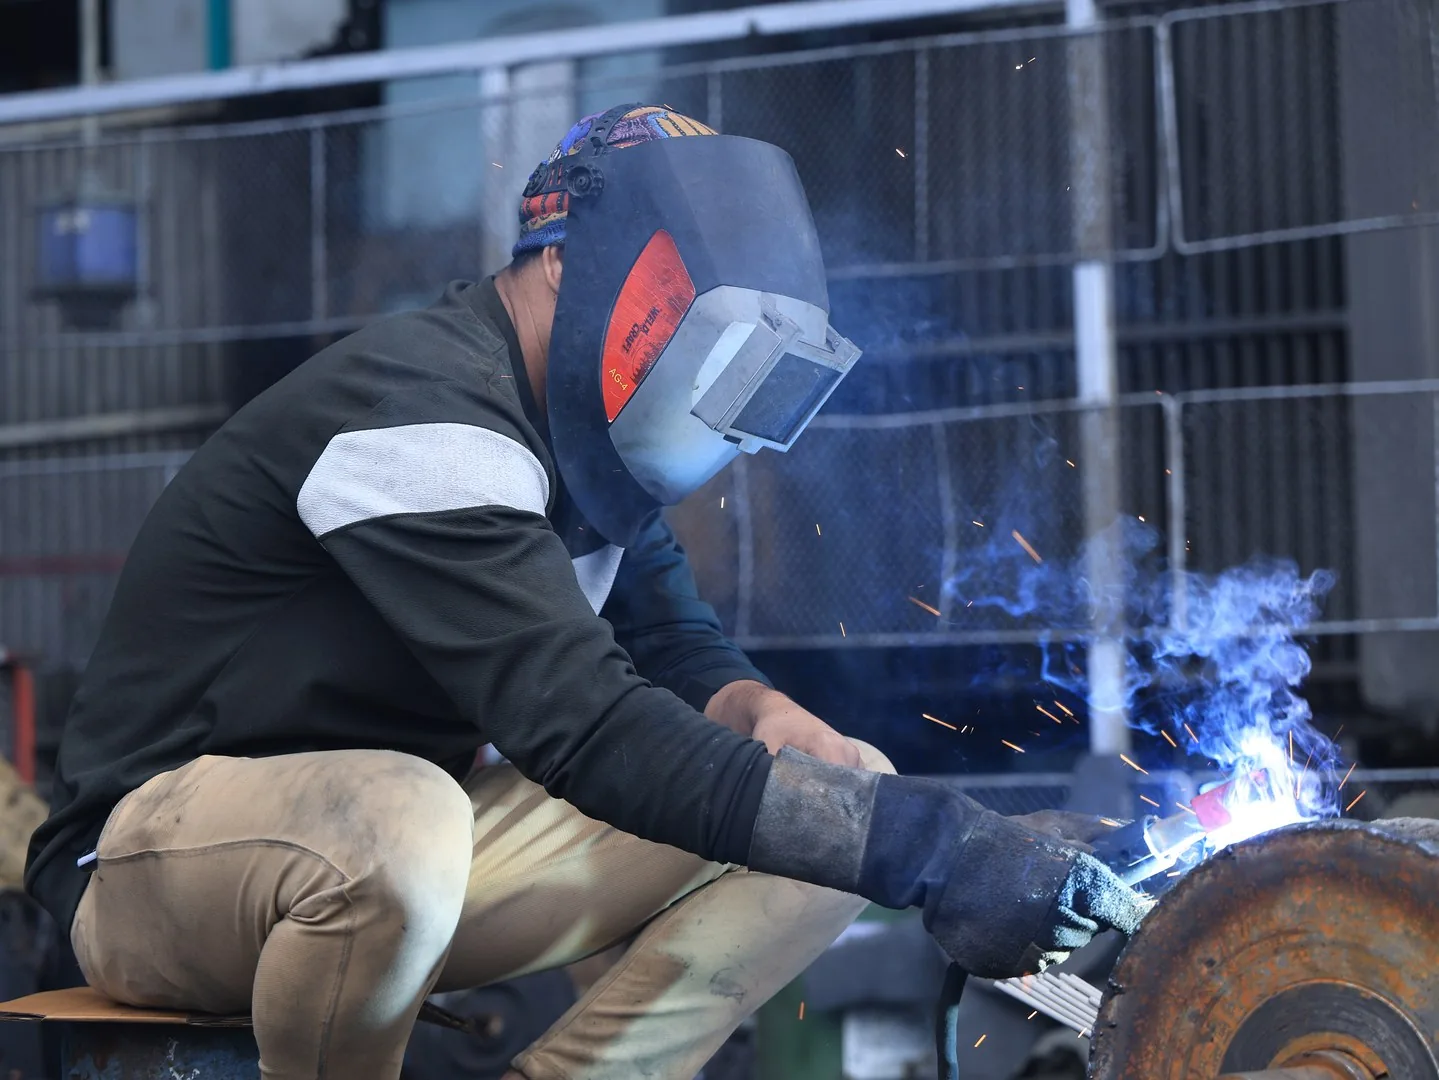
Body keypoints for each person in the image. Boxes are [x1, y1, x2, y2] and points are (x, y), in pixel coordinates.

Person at [25, 104, 1147, 1080]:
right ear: (567, 264)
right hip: (151, 870)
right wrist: (938, 850)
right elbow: (585, 728)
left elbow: (675, 650)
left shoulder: (582, 452)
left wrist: (762, 713)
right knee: (402, 819)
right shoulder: (422, 417)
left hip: (397, 863)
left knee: (837, 793)